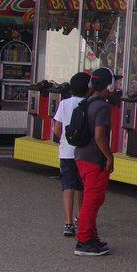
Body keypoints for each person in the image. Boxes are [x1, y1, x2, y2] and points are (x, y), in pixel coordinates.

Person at [73, 67, 115, 256]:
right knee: (91, 201)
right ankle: (83, 241)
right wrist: (109, 157)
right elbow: (99, 136)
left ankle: (91, 236)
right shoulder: (103, 107)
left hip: (81, 156)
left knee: (93, 199)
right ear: (109, 86)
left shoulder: (87, 102)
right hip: (94, 160)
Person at [51, 71, 89, 236]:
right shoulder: (89, 104)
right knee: (81, 187)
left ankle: (68, 223)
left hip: (66, 152)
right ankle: (81, 218)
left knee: (68, 186)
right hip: (84, 152)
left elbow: (57, 130)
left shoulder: (64, 103)